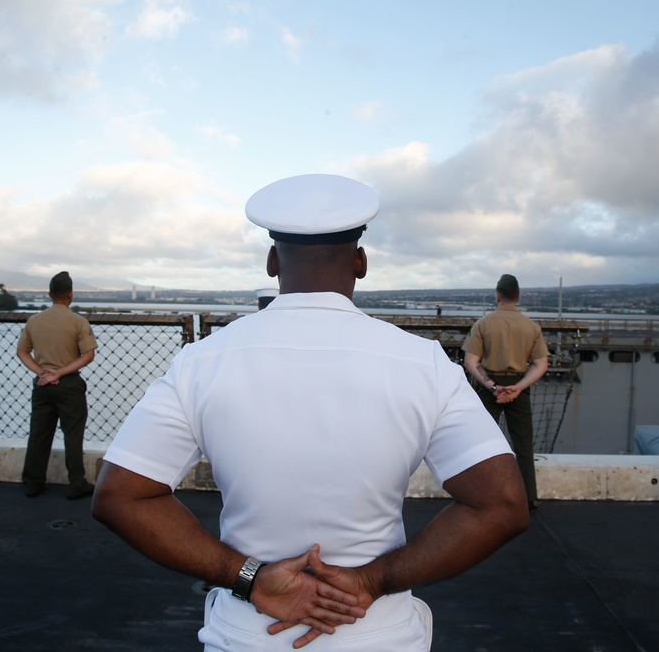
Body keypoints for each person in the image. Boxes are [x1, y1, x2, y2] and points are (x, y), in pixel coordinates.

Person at [92, 174, 528, 651]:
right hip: (377, 633)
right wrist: (372, 580)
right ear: (360, 262)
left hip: (247, 633)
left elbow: (121, 496)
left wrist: (248, 578)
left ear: (273, 260)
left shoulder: (202, 361)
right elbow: (502, 504)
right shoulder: (423, 363)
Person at [462, 274, 549, 509]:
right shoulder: (531, 326)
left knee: (481, 443)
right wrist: (517, 388)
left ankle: (480, 495)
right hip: (518, 387)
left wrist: (492, 387)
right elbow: (541, 364)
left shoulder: (484, 324)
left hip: (489, 387)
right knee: (523, 444)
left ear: (497, 295)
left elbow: (471, 360)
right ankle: (528, 498)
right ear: (518, 296)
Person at [16, 271, 98, 500]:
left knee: (39, 433)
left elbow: (22, 351)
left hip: (42, 384)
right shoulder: (78, 321)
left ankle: (33, 481)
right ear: (71, 295)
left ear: (49, 294)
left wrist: (42, 372)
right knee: (72, 434)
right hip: (69, 384)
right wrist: (60, 372)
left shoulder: (34, 320)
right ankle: (75, 483)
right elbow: (88, 355)